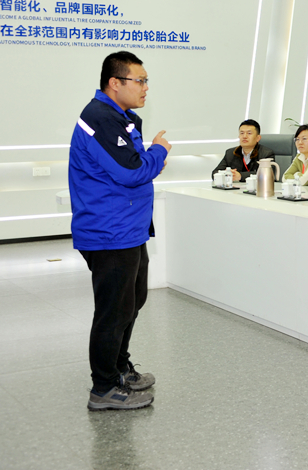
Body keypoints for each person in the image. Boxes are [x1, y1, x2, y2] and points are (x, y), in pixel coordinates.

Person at [69, 50, 170, 411]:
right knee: (113, 311)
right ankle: (103, 387)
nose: (145, 88)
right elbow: (132, 171)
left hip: (128, 229)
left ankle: (118, 367)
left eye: (146, 81)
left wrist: (147, 157)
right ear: (115, 83)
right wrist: (159, 152)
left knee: (131, 303)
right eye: (139, 81)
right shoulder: (99, 118)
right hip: (108, 232)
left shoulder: (120, 117)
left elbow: (132, 164)